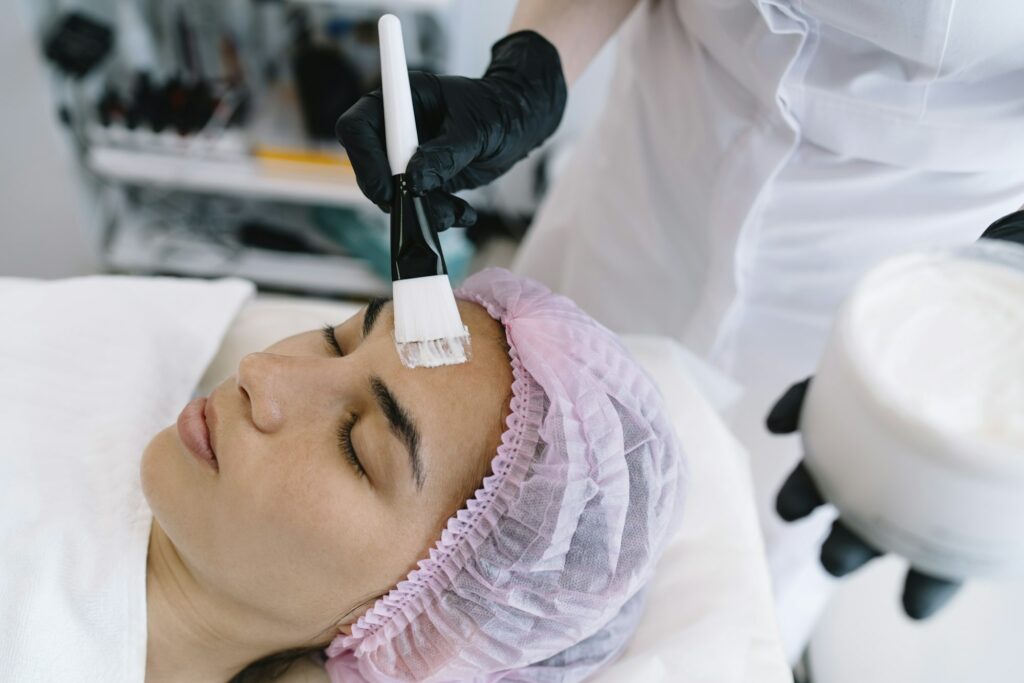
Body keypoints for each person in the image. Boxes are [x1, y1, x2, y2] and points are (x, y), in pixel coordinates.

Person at [335, 0, 1024, 658]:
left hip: (900, 293)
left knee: (739, 577)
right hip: (652, 174)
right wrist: (530, 66)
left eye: (357, 442)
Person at [74, 268, 684, 682]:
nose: (263, 371)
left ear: (409, 626)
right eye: (337, 342)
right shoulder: (91, 350)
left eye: (355, 446)